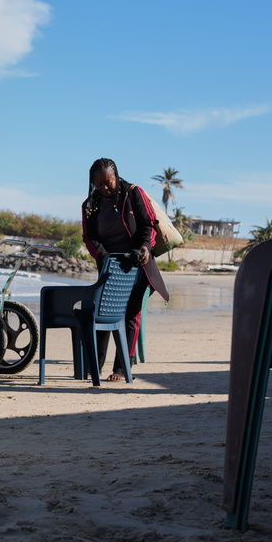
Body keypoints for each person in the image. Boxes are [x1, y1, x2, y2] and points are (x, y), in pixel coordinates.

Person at [81, 158, 169, 381]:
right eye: (99, 184)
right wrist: (105, 257)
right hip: (110, 267)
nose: (105, 188)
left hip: (137, 263)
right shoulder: (90, 206)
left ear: (116, 177)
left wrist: (144, 248)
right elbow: (89, 237)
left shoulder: (133, 194)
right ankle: (95, 367)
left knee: (130, 315)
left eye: (108, 182)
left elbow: (148, 224)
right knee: (101, 315)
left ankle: (121, 369)